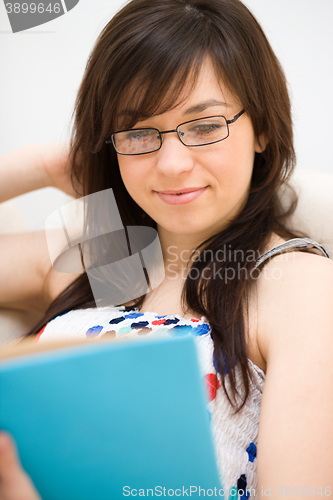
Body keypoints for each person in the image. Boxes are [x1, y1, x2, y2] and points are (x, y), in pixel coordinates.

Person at [0, 0, 333, 498]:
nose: (172, 163)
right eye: (138, 132)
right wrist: (42, 165)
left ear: (261, 127)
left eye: (204, 127)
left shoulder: (297, 285)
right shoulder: (103, 257)